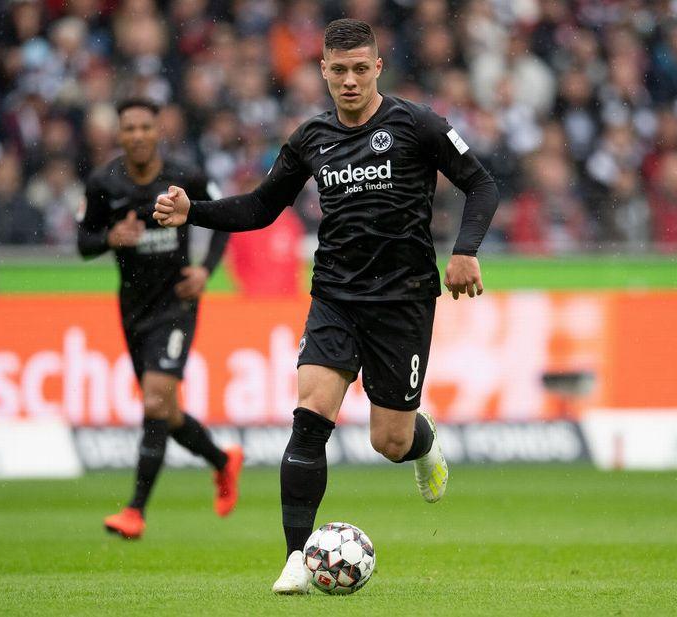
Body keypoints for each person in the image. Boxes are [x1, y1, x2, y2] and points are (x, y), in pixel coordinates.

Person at [154, 19, 499, 592]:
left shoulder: (418, 124)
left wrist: (465, 251)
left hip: (403, 301)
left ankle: (423, 443)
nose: (350, 80)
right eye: (339, 70)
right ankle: (295, 557)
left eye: (361, 68)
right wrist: (195, 212)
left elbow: (482, 184)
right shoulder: (310, 137)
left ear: (378, 68)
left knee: (389, 441)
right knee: (311, 415)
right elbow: (261, 208)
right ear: (323, 71)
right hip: (335, 296)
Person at [77, 98, 243, 540]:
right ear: (119, 134)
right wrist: (110, 237)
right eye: (129, 128)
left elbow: (224, 217)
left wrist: (205, 270)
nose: (137, 135)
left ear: (157, 132)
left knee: (154, 402)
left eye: (144, 127)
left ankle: (134, 511)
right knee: (165, 411)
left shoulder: (185, 176)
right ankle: (223, 461)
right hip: (133, 308)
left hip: (177, 304)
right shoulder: (103, 182)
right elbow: (83, 242)